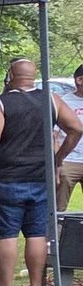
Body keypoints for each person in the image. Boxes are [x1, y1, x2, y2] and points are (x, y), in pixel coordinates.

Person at [0, 58, 83, 286]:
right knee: (36, 234)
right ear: (33, 76)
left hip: (6, 177)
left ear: (10, 74)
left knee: (6, 234)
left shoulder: (0, 102)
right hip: (41, 177)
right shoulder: (52, 100)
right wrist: (57, 159)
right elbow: (76, 128)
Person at [54, 63, 83, 211]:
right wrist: (58, 162)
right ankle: (55, 234)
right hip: (68, 162)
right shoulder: (63, 103)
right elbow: (54, 135)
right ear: (79, 80)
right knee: (58, 209)